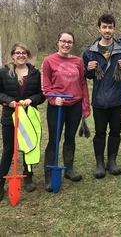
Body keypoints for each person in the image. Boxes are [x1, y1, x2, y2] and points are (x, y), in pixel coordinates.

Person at [83, 14, 121, 178]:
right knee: (99, 132)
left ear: (114, 29)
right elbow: (87, 76)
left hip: (118, 99)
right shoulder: (90, 52)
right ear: (99, 29)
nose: (107, 30)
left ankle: (112, 162)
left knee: (115, 132)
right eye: (104, 27)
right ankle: (99, 163)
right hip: (99, 100)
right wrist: (88, 69)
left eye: (110, 27)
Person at [41, 31, 90, 192]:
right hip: (57, 106)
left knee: (70, 137)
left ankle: (69, 169)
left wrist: (85, 106)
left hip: (74, 105)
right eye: (63, 41)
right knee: (54, 139)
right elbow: (45, 85)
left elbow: (83, 84)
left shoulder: (78, 61)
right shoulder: (49, 61)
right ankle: (49, 174)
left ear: (73, 44)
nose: (66, 44)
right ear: (58, 42)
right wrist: (53, 99)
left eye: (69, 42)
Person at [0, 43, 45, 200]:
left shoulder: (35, 73)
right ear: (13, 55)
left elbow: (41, 94)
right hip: (9, 116)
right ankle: (1, 181)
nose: (21, 55)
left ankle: (28, 176)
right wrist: (9, 101)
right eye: (17, 53)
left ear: (28, 55)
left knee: (28, 146)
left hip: (28, 117)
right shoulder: (4, 72)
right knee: (8, 149)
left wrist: (31, 100)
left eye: (24, 52)